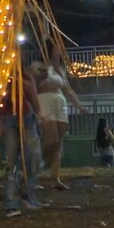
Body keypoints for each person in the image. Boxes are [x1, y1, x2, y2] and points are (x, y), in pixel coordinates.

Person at [0, 66, 44, 217]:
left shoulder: (26, 79)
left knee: (33, 156)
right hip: (7, 118)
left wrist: (39, 113)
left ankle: (28, 192)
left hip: (27, 117)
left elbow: (34, 98)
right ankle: (11, 203)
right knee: (10, 162)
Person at [36, 51, 85, 190]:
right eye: (55, 51)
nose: (58, 54)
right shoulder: (38, 67)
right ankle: (33, 171)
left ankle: (55, 178)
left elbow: (68, 89)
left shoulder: (60, 70)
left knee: (58, 144)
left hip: (60, 104)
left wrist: (79, 106)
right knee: (50, 141)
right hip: (45, 102)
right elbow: (35, 86)